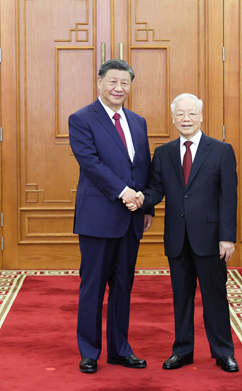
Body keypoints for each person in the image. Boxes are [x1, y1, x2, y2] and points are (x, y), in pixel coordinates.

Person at [132, 93, 239, 373]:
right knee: (181, 297)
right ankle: (182, 351)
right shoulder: (164, 153)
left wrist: (227, 237)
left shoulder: (221, 150)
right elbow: (156, 188)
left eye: (191, 114)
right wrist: (142, 201)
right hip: (177, 237)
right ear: (173, 118)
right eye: (180, 114)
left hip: (211, 238)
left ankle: (223, 352)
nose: (186, 119)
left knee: (215, 297)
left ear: (201, 116)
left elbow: (228, 197)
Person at [68, 59, 153, 374]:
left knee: (123, 286)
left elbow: (143, 166)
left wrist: (146, 206)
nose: (119, 88)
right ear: (100, 82)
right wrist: (123, 192)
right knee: (93, 287)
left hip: (131, 218)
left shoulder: (138, 121)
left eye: (125, 83)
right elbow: (90, 162)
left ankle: (120, 349)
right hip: (98, 217)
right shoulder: (81, 119)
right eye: (113, 81)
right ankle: (89, 352)